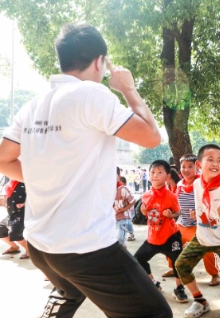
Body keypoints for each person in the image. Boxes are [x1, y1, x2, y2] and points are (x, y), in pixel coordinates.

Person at [0, 23, 171, 318]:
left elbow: (3, 159)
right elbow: (152, 137)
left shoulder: (32, 106)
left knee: (70, 291)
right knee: (155, 314)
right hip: (86, 247)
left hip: (40, 245)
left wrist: (47, 176)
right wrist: (129, 89)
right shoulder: (92, 94)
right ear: (99, 61)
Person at [175, 144, 220, 318]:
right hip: (204, 235)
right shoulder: (197, 183)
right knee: (181, 265)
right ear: (199, 164)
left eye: (219, 160)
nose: (215, 164)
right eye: (210, 159)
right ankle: (200, 301)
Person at [133, 160, 188, 303]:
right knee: (137, 259)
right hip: (153, 237)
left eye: (159, 173)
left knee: (178, 263)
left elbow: (178, 212)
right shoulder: (146, 195)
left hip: (171, 237)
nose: (155, 175)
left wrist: (171, 215)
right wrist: (142, 210)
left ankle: (179, 288)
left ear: (167, 176)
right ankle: (153, 282)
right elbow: (145, 213)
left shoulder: (171, 196)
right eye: (152, 172)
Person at [171, 153, 220, 286]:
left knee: (206, 248)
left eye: (190, 166)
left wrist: (200, 213)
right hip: (182, 224)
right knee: (170, 242)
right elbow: (176, 204)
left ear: (197, 167)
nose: (186, 170)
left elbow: (212, 203)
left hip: (199, 225)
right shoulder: (180, 184)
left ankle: (215, 274)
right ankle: (173, 268)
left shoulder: (203, 183)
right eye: (183, 167)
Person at [0, 180, 29, 259]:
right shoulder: (11, 182)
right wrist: (5, 203)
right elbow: (7, 195)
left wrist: (24, 204)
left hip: (20, 214)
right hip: (11, 214)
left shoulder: (26, 182)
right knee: (1, 230)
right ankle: (14, 247)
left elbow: (35, 198)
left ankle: (29, 251)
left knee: (15, 234)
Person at [115, 168, 136, 246]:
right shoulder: (108, 190)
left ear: (119, 176)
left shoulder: (123, 189)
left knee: (120, 242)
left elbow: (133, 201)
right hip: (113, 219)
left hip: (123, 219)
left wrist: (123, 209)